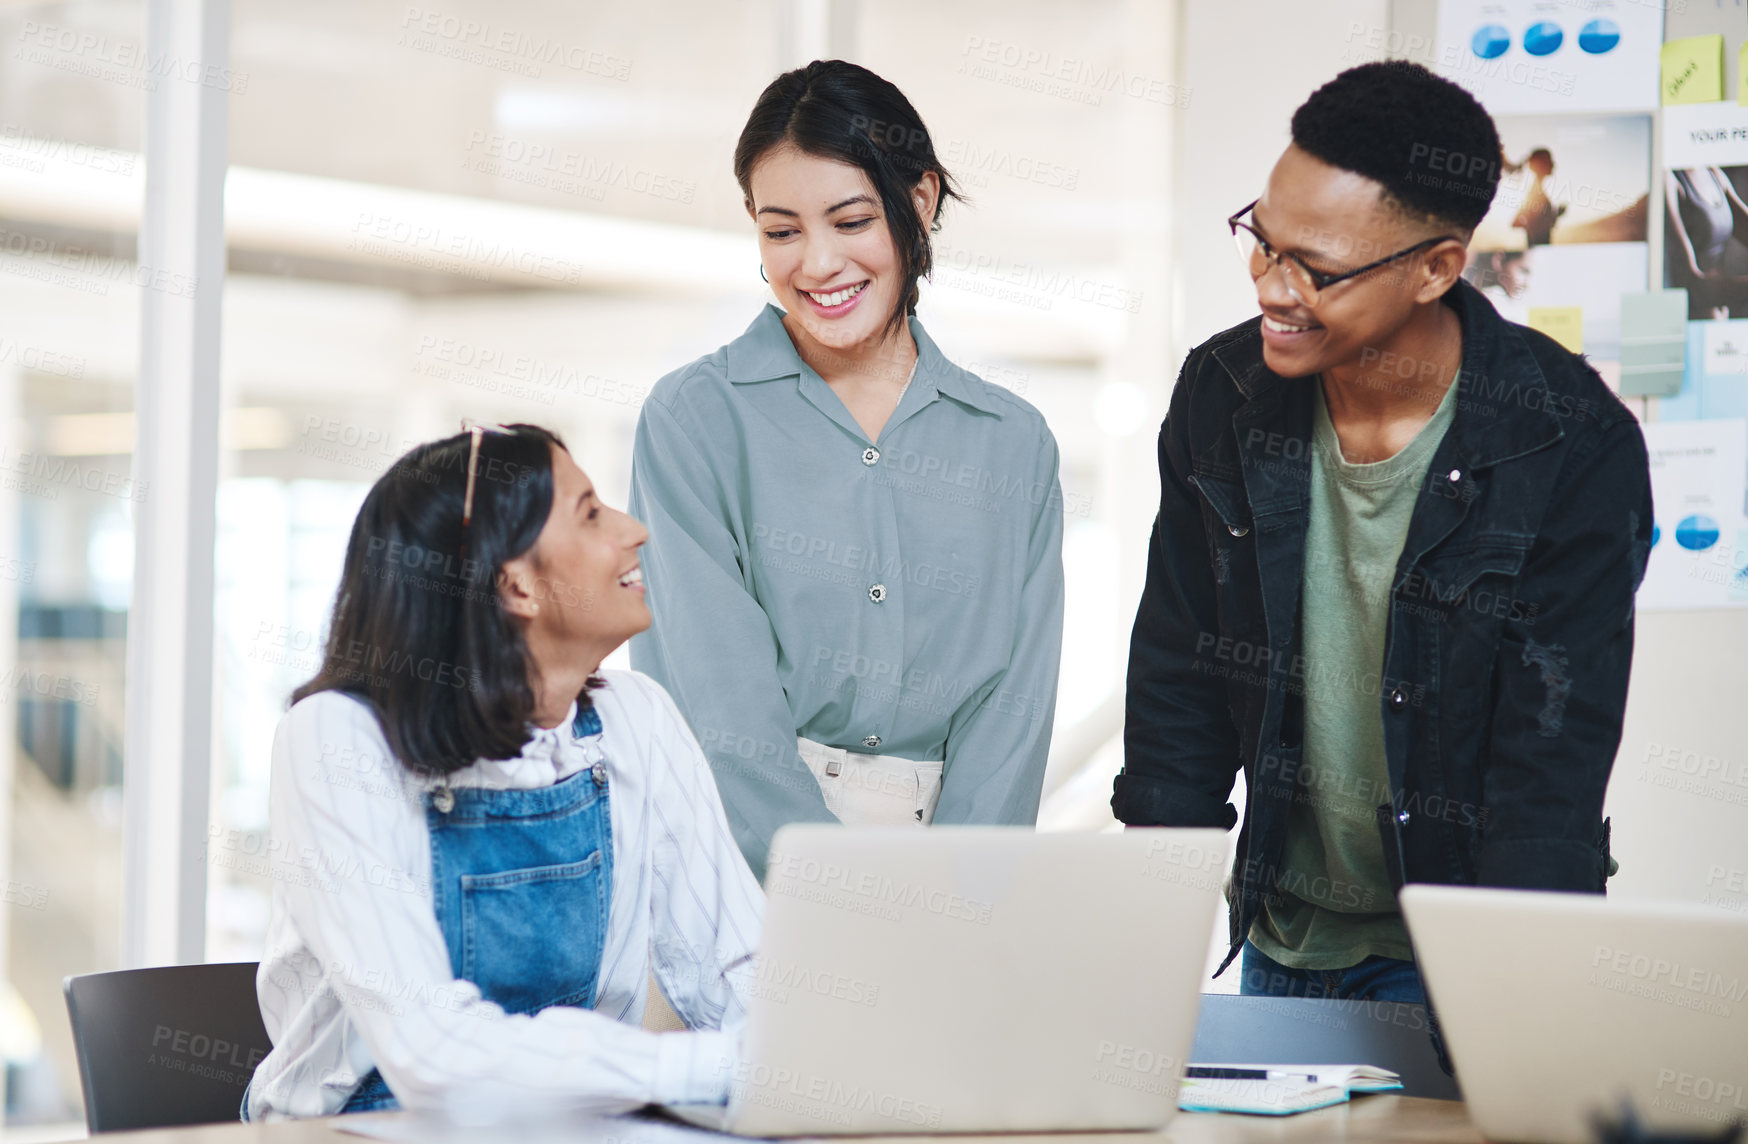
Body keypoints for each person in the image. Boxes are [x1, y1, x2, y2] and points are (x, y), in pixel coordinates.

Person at [1114, 62, 1652, 1005]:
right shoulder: (1223, 394)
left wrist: (1512, 1014)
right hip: (1286, 938)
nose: (1271, 287)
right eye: (1260, 240)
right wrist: (1144, 956)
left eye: (1313, 268)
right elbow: (1179, 671)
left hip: (1471, 958)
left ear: (1437, 267)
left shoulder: (1569, 441)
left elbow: (1550, 761)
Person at [243, 423, 761, 1120]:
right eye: (591, 513)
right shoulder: (338, 738)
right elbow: (432, 1057)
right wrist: (708, 1066)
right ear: (515, 584)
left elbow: (744, 970)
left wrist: (803, 1054)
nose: (634, 530)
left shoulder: (639, 720)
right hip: (349, 1130)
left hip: (562, 1128)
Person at [629, 60, 1065, 879]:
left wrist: (958, 894)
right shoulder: (695, 420)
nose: (818, 264)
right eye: (782, 230)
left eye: (852, 220)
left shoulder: (1012, 442)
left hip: (950, 884)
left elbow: (1015, 709)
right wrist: (824, 890)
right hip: (737, 868)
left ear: (921, 203)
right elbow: (714, 697)